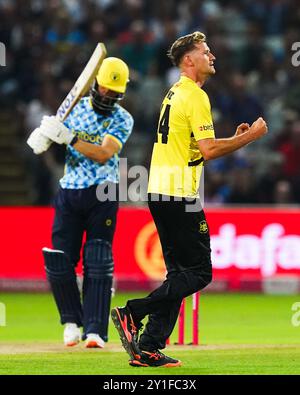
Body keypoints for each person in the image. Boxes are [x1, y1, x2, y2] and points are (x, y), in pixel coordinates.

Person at [111, 31, 268, 367]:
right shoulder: (195, 96)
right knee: (199, 273)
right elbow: (209, 151)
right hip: (179, 193)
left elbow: (195, 147)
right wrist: (251, 138)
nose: (212, 56)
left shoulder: (175, 93)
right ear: (188, 60)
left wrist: (233, 138)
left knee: (179, 274)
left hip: (160, 190)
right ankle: (132, 312)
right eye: (205, 51)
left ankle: (149, 346)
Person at [27, 57, 134, 348]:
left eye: (114, 93)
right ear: (95, 85)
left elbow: (103, 154)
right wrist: (45, 137)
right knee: (60, 261)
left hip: (103, 192)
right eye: (104, 90)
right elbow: (52, 147)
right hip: (70, 190)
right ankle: (72, 323)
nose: (107, 97)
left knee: (98, 260)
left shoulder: (122, 118)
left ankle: (96, 331)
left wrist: (69, 138)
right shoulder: (73, 111)